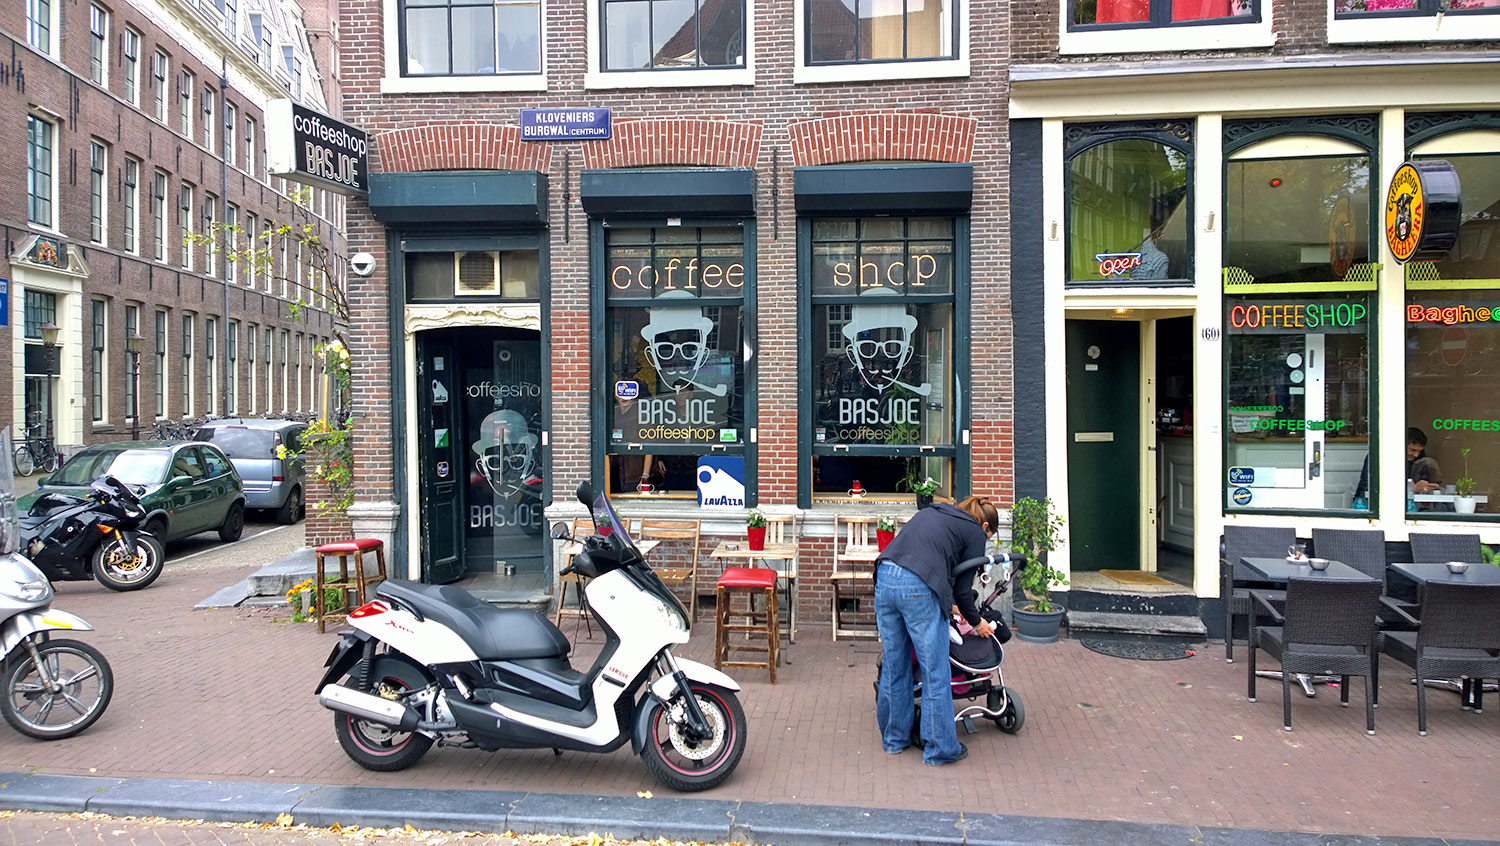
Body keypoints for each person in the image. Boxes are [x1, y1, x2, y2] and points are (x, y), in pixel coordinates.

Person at [874, 495, 999, 766]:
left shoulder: (936, 512)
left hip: (885, 576)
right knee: (935, 671)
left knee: (895, 665)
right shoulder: (975, 532)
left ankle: (894, 740)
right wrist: (977, 623)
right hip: (918, 586)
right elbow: (963, 591)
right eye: (990, 536)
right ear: (985, 526)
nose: (985, 540)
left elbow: (931, 558)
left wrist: (949, 603)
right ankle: (939, 749)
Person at [1407, 427, 1441, 495]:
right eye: (1412, 450)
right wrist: (1413, 488)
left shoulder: (1422, 462)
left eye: (1419, 451)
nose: (1416, 455)